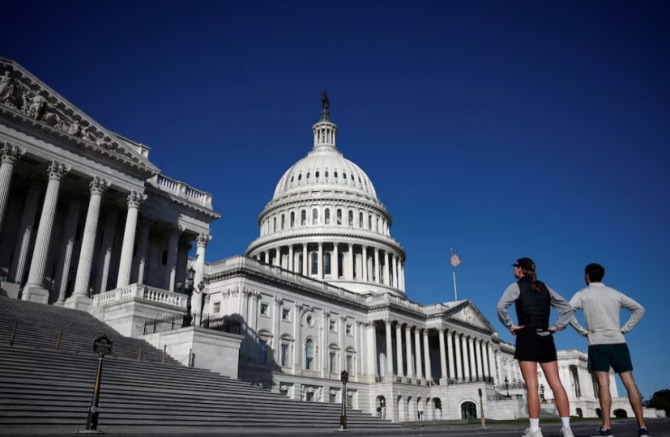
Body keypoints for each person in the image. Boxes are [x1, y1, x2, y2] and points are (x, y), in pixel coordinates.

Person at [569, 263, 649, 437]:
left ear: (587, 276)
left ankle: (607, 428)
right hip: (618, 341)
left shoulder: (582, 294)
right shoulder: (614, 293)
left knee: (603, 384)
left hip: (597, 342)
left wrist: (581, 331)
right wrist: (625, 328)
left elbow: (567, 311)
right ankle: (642, 428)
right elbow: (639, 309)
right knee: (629, 383)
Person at [497, 257, 575, 437]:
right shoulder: (545, 287)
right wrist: (557, 326)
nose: (514, 270)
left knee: (532, 385)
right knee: (556, 384)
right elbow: (568, 308)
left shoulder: (515, 287)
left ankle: (534, 430)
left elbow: (501, 307)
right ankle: (567, 428)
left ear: (519, 269)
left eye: (516, 267)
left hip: (527, 337)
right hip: (546, 338)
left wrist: (510, 326)